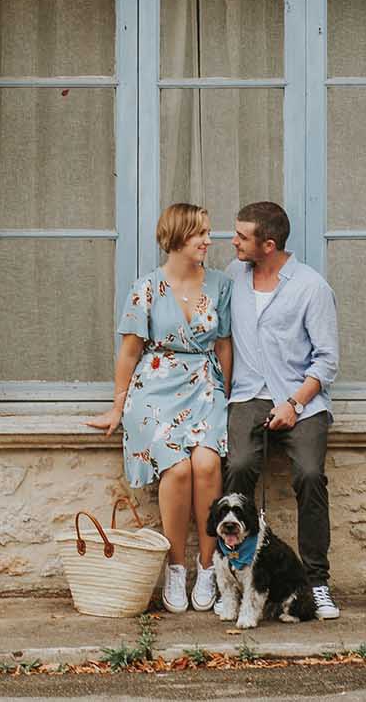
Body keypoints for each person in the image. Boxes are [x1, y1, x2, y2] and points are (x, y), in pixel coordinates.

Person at [85, 203, 234, 613]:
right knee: (178, 468)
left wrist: (229, 396)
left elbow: (223, 346)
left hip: (204, 385)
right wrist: (118, 407)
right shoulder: (146, 288)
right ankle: (175, 566)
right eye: (199, 233)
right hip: (154, 386)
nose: (208, 240)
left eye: (208, 231)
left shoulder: (221, 286)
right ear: (177, 238)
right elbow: (129, 353)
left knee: (206, 464)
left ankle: (208, 566)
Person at [223, 200, 342, 620]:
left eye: (241, 236)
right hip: (247, 394)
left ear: (268, 244)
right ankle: (231, 577)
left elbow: (327, 361)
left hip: (301, 398)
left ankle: (316, 582)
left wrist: (294, 403)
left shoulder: (311, 287)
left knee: (310, 476)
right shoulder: (234, 277)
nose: (233, 241)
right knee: (237, 466)